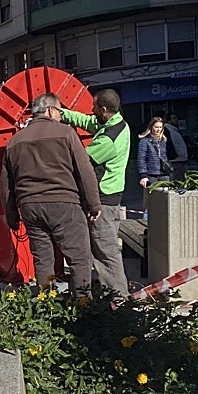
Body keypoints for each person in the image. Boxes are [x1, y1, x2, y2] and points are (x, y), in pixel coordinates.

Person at [0, 93, 101, 292]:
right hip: (64, 203)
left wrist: (12, 216)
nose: (61, 116)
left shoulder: (15, 141)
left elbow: (6, 184)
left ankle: (46, 303)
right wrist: (93, 203)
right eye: (60, 111)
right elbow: (84, 170)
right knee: (78, 257)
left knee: (42, 258)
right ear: (49, 110)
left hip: (30, 207)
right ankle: (82, 305)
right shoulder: (65, 133)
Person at [59, 88, 131, 295]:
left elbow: (81, 160)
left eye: (94, 107)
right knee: (102, 247)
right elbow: (87, 122)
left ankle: (118, 297)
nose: (91, 110)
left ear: (104, 109)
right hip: (110, 197)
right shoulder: (116, 123)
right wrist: (63, 113)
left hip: (102, 200)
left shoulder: (109, 139)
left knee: (104, 249)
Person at [137, 117, 173, 190]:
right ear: (151, 127)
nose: (158, 129)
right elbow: (141, 159)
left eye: (160, 127)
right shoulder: (145, 141)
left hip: (164, 173)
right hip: (151, 174)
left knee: (166, 196)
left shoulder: (164, 141)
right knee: (153, 197)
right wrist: (143, 175)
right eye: (156, 127)